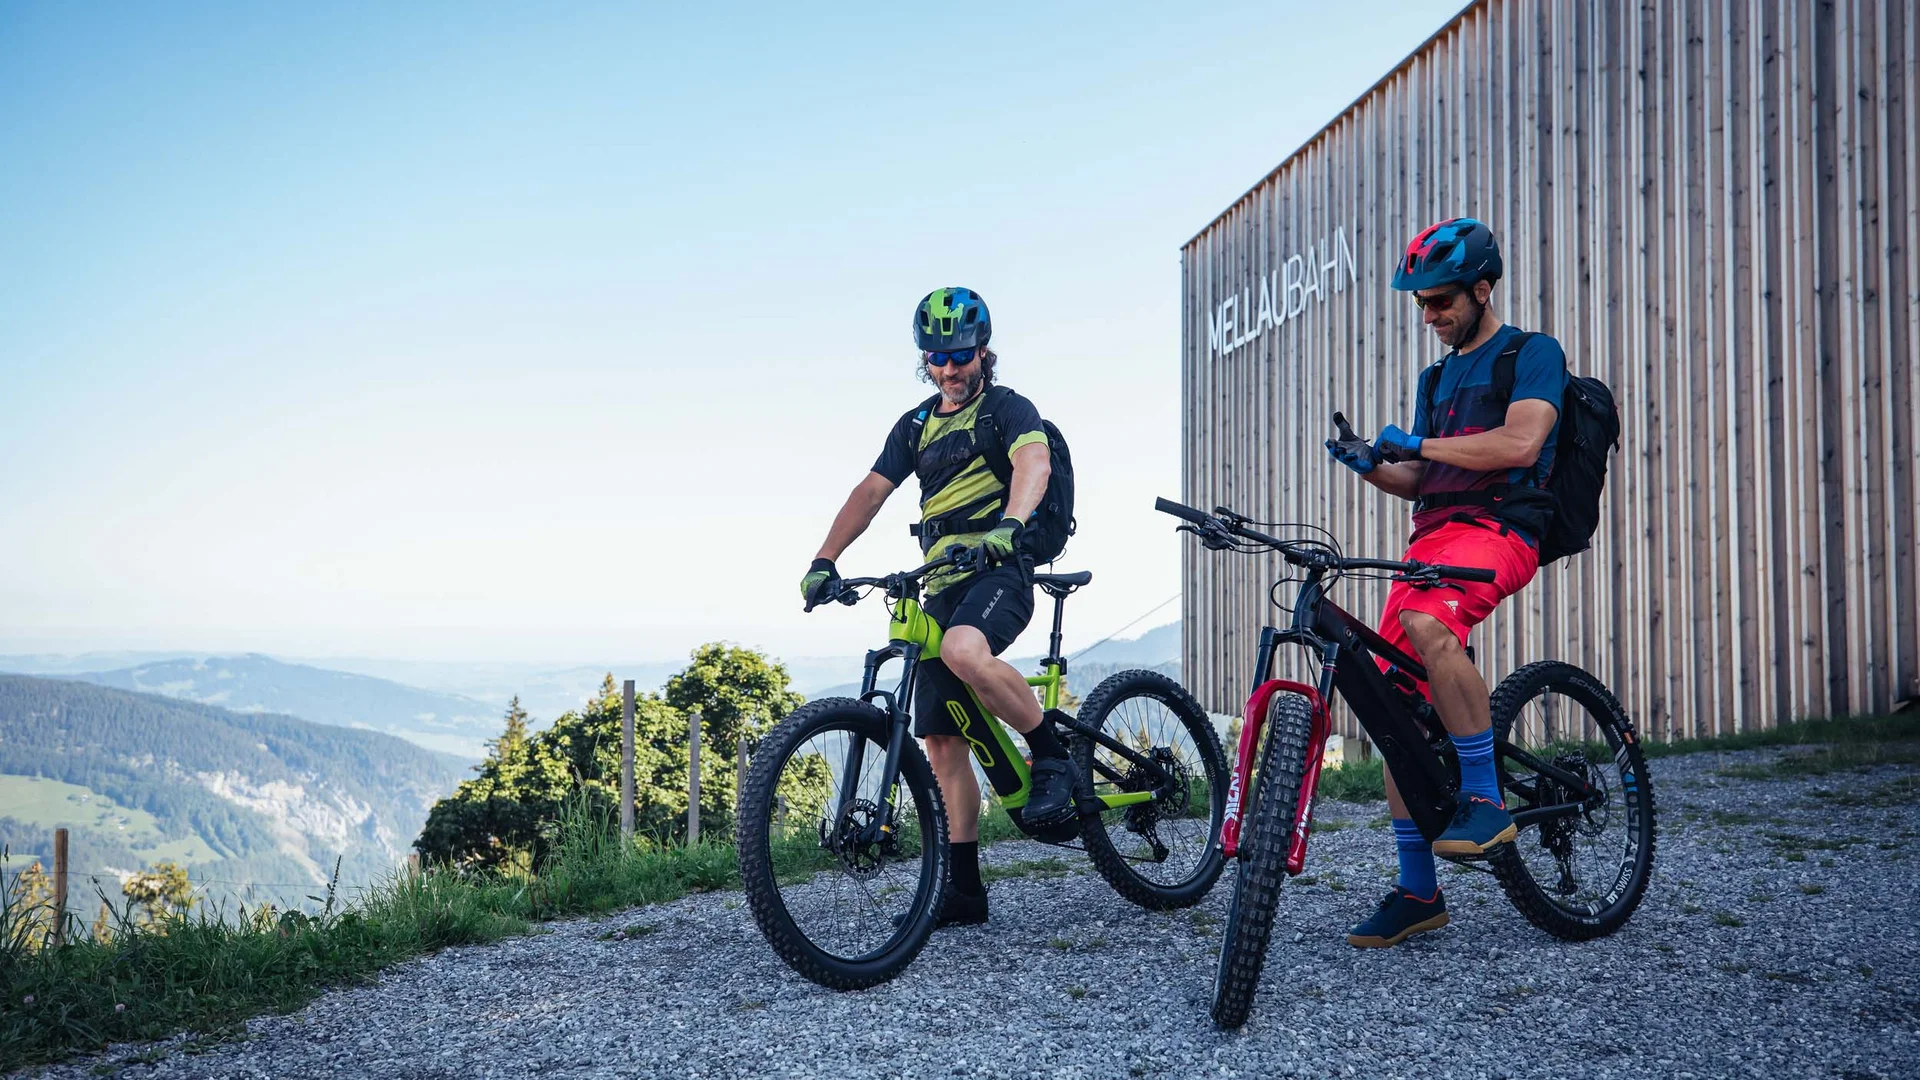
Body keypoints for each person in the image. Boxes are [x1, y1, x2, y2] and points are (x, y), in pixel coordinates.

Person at [1324, 218, 1569, 948]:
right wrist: (1371, 465)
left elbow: (1520, 442)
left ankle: (1485, 799)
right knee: (1391, 708)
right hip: (1432, 539)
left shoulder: (1531, 353)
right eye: (1421, 304)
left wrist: (1420, 442)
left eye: (1440, 301)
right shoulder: (1435, 379)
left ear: (1482, 289)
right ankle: (1418, 892)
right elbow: (1422, 478)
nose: (1428, 315)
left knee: (1431, 623)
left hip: (1501, 528)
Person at [800, 286, 1077, 928]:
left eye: (961, 355)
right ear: (925, 359)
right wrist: (824, 559)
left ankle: (1051, 754)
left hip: (1000, 569)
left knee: (962, 650)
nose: (950, 369)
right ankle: (964, 891)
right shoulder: (916, 425)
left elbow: (1033, 463)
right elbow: (871, 492)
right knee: (942, 742)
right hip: (940, 581)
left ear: (983, 351)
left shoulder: (1007, 408)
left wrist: (1010, 524)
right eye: (938, 357)